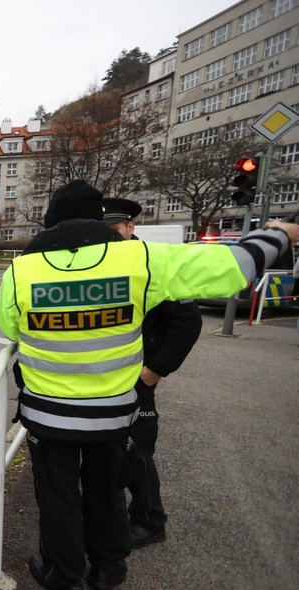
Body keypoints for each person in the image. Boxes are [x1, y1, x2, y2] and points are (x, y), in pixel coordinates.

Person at [0, 180, 299, 590]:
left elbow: (10, 328)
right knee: (107, 491)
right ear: (99, 218)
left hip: (50, 416)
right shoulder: (140, 257)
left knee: (58, 499)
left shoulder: (20, 271)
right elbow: (234, 265)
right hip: (114, 414)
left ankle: (66, 582)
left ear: (50, 223)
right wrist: (280, 233)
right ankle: (108, 569)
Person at [103, 197, 202, 549]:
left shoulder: (155, 264)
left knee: (137, 449)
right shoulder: (105, 264)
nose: (110, 240)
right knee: (114, 449)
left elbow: (187, 325)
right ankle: (117, 512)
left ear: (131, 228)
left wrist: (154, 371)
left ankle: (149, 519)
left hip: (138, 377)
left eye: (115, 231)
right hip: (110, 378)